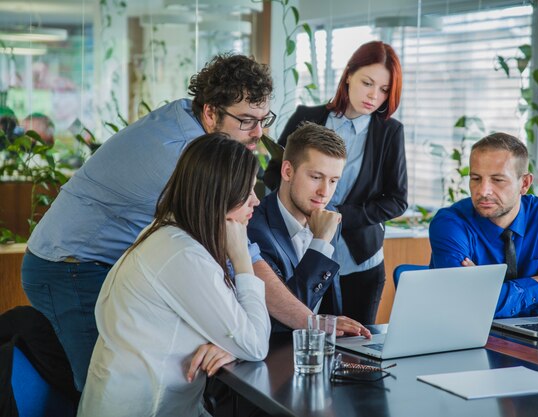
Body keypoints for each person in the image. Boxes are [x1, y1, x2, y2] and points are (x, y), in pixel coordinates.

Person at [22, 53, 311, 392]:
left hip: (105, 261)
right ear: (210, 112)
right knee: (106, 386)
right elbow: (240, 255)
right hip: (69, 266)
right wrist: (313, 323)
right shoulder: (184, 156)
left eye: (264, 119)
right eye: (246, 120)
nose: (257, 133)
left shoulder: (192, 121)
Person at [77, 134, 270, 417]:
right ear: (219, 193)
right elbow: (254, 344)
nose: (256, 201)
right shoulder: (182, 255)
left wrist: (231, 344)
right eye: (248, 191)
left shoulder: (170, 235)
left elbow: (241, 333)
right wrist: (242, 260)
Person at [264, 41, 408, 325]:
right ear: (349, 75)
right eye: (367, 82)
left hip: (359, 261)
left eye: (384, 90)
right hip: (303, 254)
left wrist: (339, 216)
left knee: (355, 350)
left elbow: (397, 199)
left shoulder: (389, 132)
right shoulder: (308, 117)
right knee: (300, 337)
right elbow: (274, 173)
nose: (373, 96)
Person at [428, 132, 538, 318]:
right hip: (462, 336)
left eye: (497, 180)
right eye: (476, 178)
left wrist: (486, 291)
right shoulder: (450, 224)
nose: (483, 191)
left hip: (535, 334)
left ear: (525, 183)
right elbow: (466, 304)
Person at [249, 122, 371, 337]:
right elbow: (286, 318)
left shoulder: (329, 214)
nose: (325, 192)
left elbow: (328, 300)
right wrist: (321, 243)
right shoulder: (255, 229)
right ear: (287, 171)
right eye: (316, 177)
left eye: (333, 181)